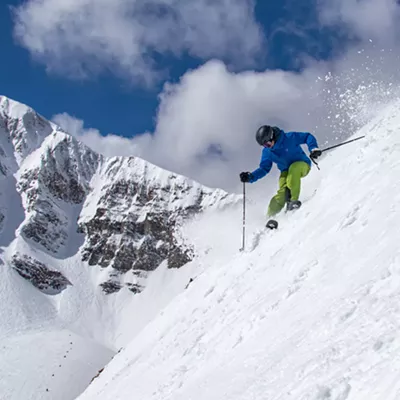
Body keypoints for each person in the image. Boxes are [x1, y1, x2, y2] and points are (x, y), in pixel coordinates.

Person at [240, 125, 321, 217]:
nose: (267, 147)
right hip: (285, 171)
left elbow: (307, 136)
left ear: (272, 136)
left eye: (267, 144)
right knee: (282, 193)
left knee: (293, 171)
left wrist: (313, 148)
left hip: (302, 165)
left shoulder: (289, 138)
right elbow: (264, 168)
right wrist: (251, 177)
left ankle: (293, 202)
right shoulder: (267, 152)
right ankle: (269, 217)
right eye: (264, 146)